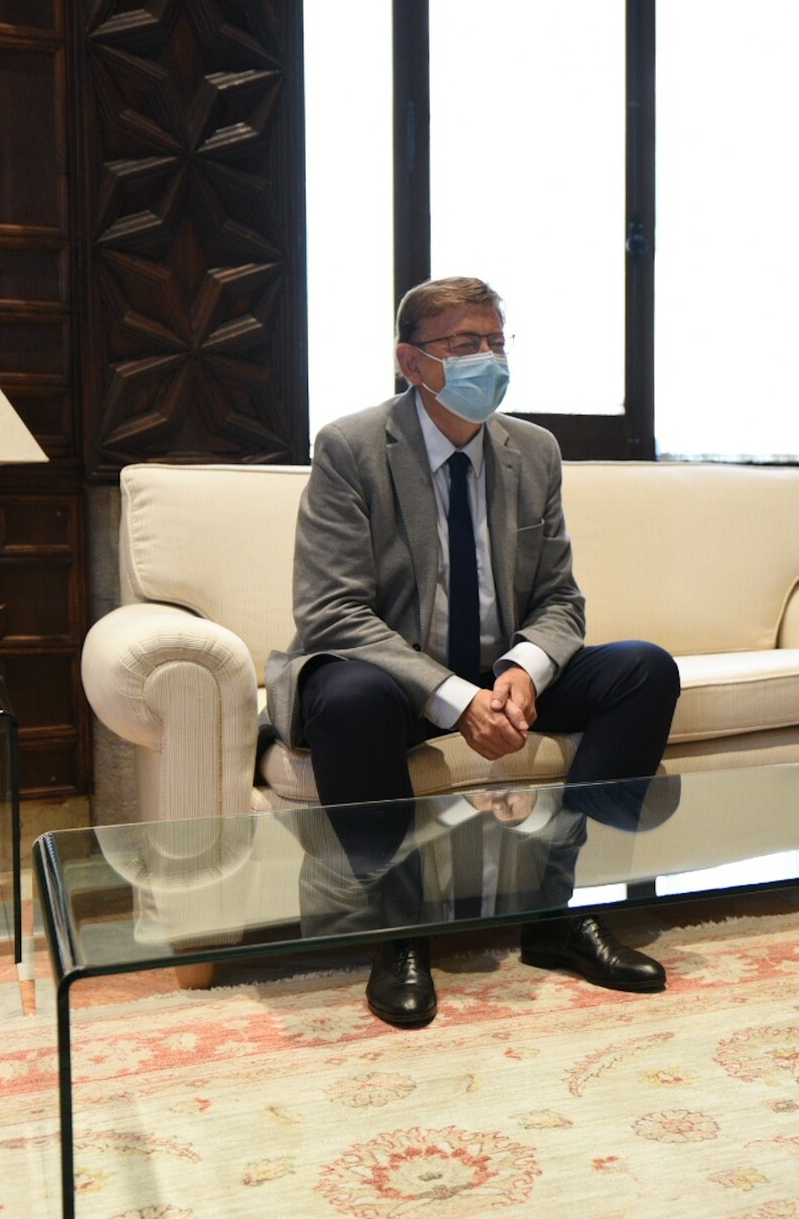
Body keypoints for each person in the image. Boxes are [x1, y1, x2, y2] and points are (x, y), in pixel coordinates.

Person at [266, 275, 681, 1027]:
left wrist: (525, 668)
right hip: (395, 678)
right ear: (412, 362)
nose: (488, 358)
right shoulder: (352, 448)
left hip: (499, 671)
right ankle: (401, 932)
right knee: (349, 696)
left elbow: (561, 598)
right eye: (465, 345)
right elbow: (332, 611)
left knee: (643, 669)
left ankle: (554, 909)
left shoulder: (534, 451)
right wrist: (455, 702)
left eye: (496, 341)